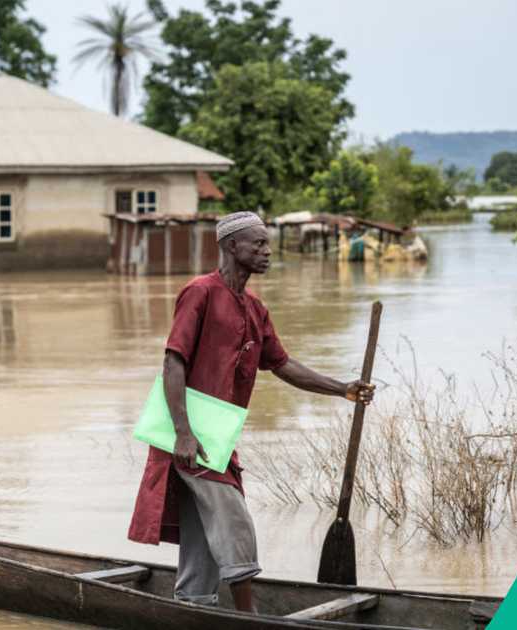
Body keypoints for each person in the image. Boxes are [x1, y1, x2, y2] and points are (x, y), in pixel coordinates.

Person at [127, 211, 376, 612]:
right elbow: (173, 362)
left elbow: (282, 365)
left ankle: (193, 605)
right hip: (194, 433)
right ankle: (247, 613)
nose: (267, 251)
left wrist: (342, 389)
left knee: (201, 528)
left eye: (266, 243)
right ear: (231, 246)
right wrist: (184, 433)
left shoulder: (255, 309)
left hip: (219, 435)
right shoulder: (200, 293)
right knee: (232, 517)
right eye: (258, 243)